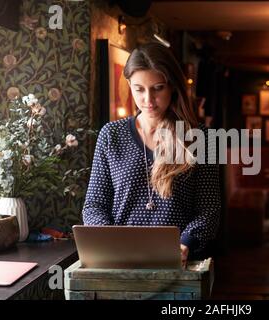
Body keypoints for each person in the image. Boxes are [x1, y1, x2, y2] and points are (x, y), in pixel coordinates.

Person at [82, 42, 221, 268]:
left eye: (158, 88)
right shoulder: (111, 135)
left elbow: (209, 209)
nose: (148, 99)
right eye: (139, 89)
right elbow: (94, 205)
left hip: (180, 265)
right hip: (119, 263)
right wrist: (109, 243)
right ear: (128, 85)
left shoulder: (201, 138)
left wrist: (186, 244)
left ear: (172, 86)